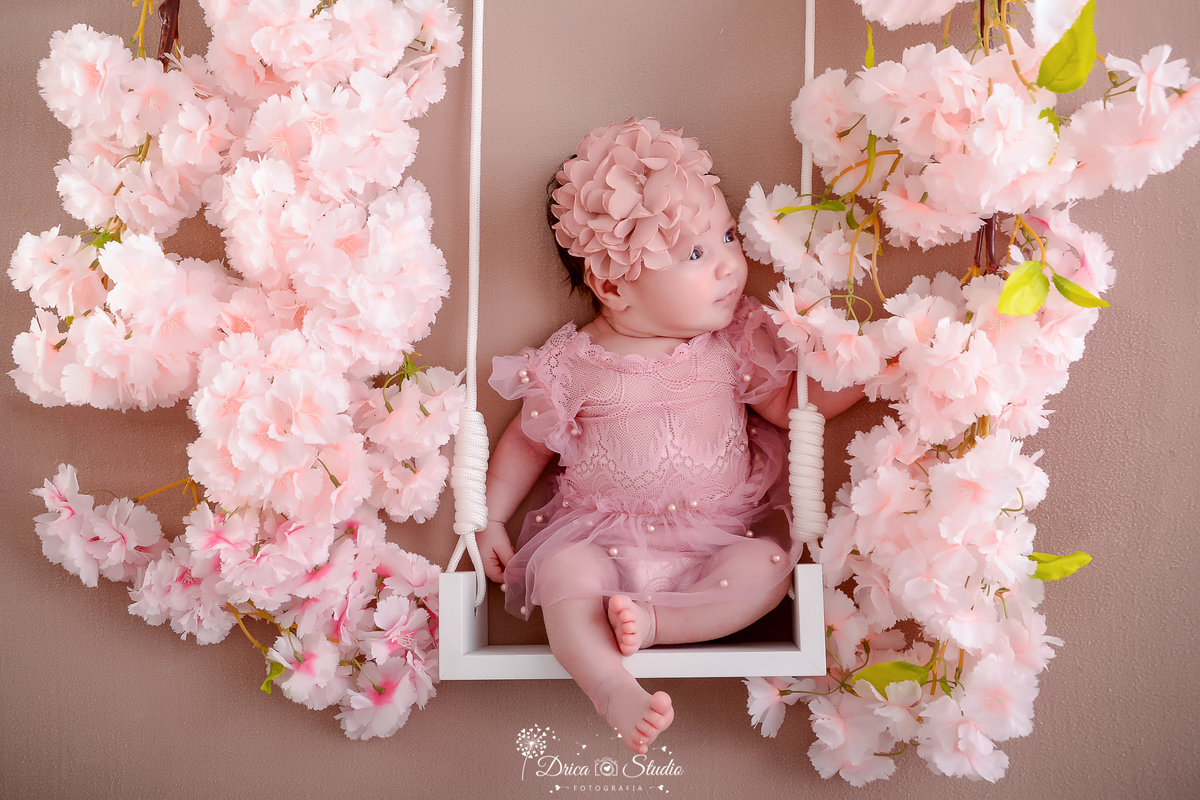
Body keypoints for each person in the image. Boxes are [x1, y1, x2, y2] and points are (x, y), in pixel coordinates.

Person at [477, 118, 861, 754]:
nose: (729, 265)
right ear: (611, 285)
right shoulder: (573, 364)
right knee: (563, 574)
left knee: (771, 566)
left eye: (727, 236)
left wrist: (870, 373)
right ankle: (610, 685)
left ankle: (657, 624)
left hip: (716, 546)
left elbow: (793, 405)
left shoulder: (729, 345)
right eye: (695, 255)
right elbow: (527, 442)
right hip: (601, 544)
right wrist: (490, 518)